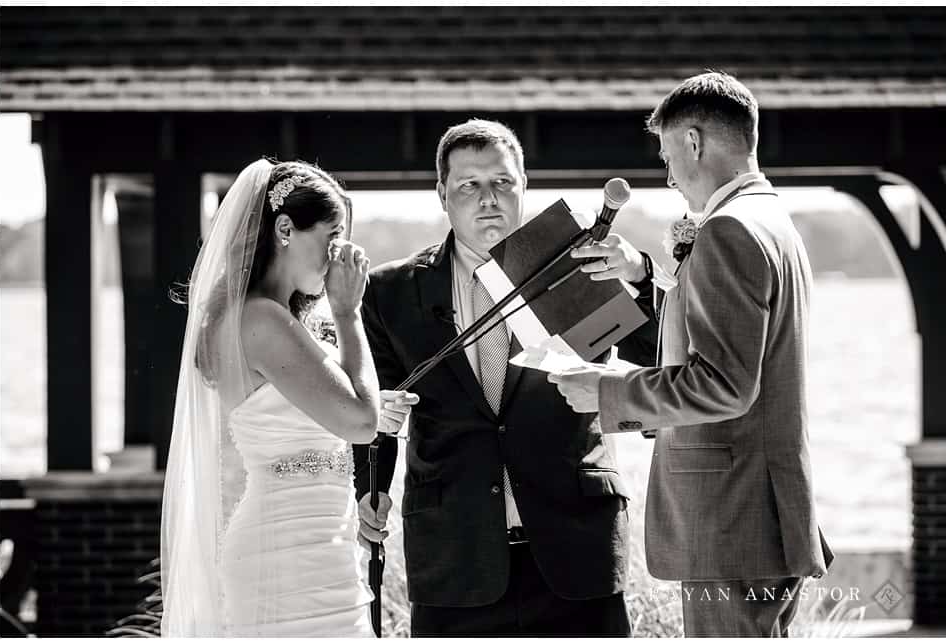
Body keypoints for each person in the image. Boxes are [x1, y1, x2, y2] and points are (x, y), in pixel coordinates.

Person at [549, 72, 834, 637]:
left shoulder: (728, 230)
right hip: (761, 511)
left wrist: (605, 392)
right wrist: (643, 274)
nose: (669, 176)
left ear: (694, 143)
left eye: (666, 155)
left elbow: (724, 384)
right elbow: (727, 335)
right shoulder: (771, 222)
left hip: (731, 522)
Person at [354, 119, 659, 636]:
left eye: (502, 182)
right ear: (441, 195)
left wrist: (640, 273)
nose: (488, 198)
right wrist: (370, 488)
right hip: (455, 556)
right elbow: (375, 406)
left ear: (524, 187)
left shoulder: (577, 265)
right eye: (468, 185)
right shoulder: (389, 291)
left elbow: (661, 352)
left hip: (577, 549)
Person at [159, 159, 418, 636]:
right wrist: (348, 311)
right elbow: (358, 421)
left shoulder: (266, 319)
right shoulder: (260, 320)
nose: (339, 255)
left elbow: (332, 413)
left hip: (322, 543)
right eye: (331, 236)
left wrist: (377, 409)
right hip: (285, 556)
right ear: (284, 229)